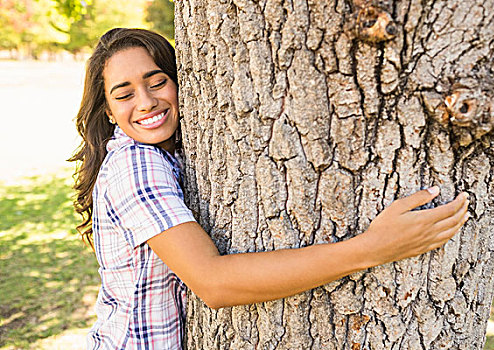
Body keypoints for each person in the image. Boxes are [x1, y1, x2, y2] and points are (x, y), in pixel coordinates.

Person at [70, 28, 470, 349]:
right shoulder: (135, 163)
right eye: (124, 94)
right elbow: (213, 282)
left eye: (158, 82)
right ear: (107, 109)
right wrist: (373, 248)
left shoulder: (166, 154)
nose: (145, 102)